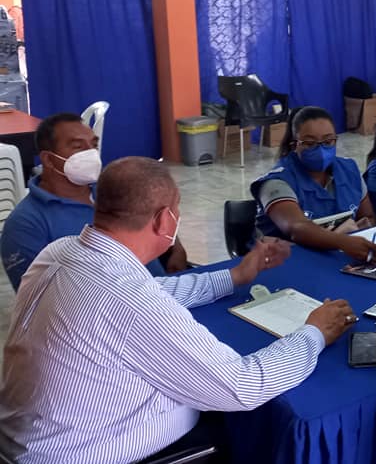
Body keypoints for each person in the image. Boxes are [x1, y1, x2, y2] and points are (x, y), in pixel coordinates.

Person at [0, 157, 357, 464]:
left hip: (28, 438)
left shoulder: (61, 252)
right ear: (163, 221)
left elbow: (157, 289)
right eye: (178, 210)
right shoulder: (131, 302)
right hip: (87, 451)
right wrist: (314, 332)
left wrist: (235, 276)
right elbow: (243, 386)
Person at [0, 113, 187, 291]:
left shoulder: (115, 187)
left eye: (93, 145)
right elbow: (36, 297)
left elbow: (157, 214)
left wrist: (174, 248)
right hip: (112, 308)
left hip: (166, 290)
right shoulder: (26, 224)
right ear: (48, 159)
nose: (90, 153)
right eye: (78, 146)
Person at [250, 107, 376, 264]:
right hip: (287, 262)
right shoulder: (276, 182)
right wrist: (343, 241)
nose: (320, 149)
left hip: (339, 259)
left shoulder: (349, 170)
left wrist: (362, 234)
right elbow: (297, 228)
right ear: (294, 145)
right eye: (309, 143)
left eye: (328, 141)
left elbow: (368, 217)